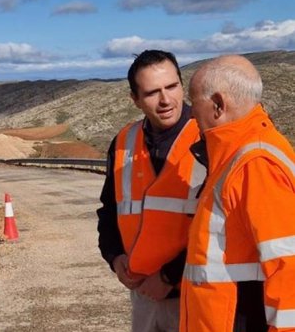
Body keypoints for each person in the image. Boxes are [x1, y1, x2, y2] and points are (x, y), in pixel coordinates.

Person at [181, 55, 295, 332]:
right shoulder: (235, 155)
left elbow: (288, 266)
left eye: (194, 103)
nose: (192, 114)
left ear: (218, 105)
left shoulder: (254, 164)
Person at [97, 50, 206, 332]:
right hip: (144, 295)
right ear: (135, 99)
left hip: (199, 293)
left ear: (183, 85)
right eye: (151, 93)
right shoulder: (124, 142)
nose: (166, 100)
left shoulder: (210, 137)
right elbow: (110, 209)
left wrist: (169, 276)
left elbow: (225, 225)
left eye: (172, 87)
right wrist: (114, 256)